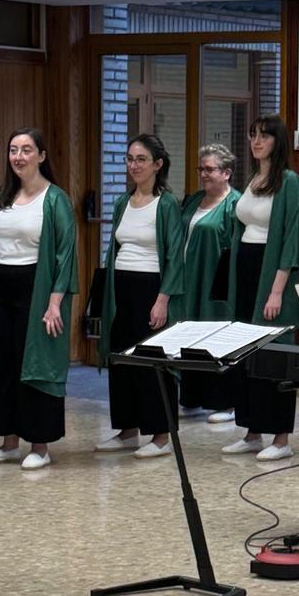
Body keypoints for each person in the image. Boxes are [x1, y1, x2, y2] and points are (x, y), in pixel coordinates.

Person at [0, 128, 77, 471]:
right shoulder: (0, 196)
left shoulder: (55, 198)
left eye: (27, 150)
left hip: (36, 288)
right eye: (14, 150)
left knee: (34, 366)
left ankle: (40, 444)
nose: (19, 156)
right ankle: (7, 441)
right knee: (4, 364)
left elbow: (65, 254)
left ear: (42, 156)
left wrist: (54, 303)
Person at [95, 134, 185, 459]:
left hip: (152, 288)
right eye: (130, 159)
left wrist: (162, 299)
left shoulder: (167, 204)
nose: (134, 165)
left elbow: (176, 256)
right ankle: (127, 429)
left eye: (141, 159)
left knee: (152, 361)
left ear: (157, 165)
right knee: (122, 357)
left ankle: (161, 434)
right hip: (122, 288)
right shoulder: (123, 202)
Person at [222, 114, 299, 460]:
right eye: (253, 135)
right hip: (247, 269)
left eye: (264, 136)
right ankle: (252, 430)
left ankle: (280, 438)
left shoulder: (289, 181)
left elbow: (290, 238)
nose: (256, 142)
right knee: (247, 355)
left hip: (273, 276)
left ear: (277, 141)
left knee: (274, 356)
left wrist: (276, 290)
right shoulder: (254, 179)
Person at [178, 144, 243, 417]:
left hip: (215, 281)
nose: (203, 174)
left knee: (215, 338)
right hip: (189, 279)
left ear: (226, 173)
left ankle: (224, 402)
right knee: (189, 335)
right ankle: (192, 398)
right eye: (201, 168)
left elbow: (234, 251)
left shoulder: (235, 204)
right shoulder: (194, 200)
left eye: (210, 169)